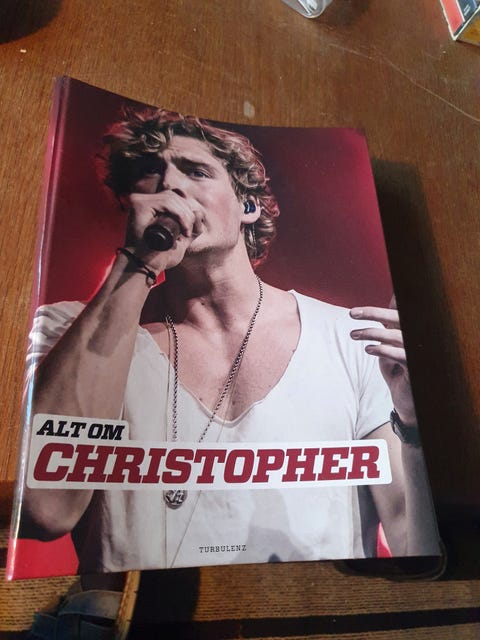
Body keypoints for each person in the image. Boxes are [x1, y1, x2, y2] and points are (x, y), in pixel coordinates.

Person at [20, 109, 439, 573]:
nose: (170, 186)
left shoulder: (353, 339)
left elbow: (411, 544)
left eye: (196, 171)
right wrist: (138, 261)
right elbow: (46, 508)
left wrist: (413, 424)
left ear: (247, 206)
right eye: (150, 174)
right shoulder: (68, 331)